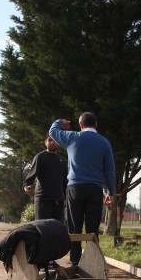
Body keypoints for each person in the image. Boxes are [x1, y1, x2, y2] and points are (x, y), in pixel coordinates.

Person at [48, 112, 115, 266]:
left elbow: (52, 132)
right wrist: (110, 192)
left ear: (80, 125)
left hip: (74, 188)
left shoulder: (72, 137)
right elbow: (110, 170)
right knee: (92, 228)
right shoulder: (104, 143)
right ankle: (92, 262)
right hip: (95, 189)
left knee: (74, 227)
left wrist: (60, 121)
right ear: (96, 125)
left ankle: (75, 261)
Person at [23, 136, 68, 222]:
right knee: (41, 227)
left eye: (54, 140)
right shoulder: (40, 157)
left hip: (58, 199)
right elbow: (31, 175)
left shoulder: (61, 160)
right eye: (50, 140)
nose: (52, 142)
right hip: (43, 198)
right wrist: (26, 186)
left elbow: (65, 181)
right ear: (45, 142)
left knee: (58, 228)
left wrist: (66, 197)